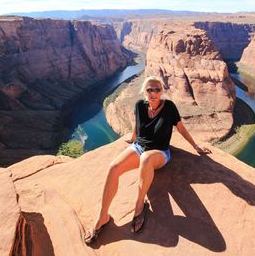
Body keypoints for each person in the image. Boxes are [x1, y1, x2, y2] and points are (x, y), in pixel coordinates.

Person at [84, 76, 211, 243]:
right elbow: (137, 124)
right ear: (145, 91)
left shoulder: (169, 107)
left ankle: (139, 206)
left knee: (145, 159)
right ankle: (103, 216)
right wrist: (132, 137)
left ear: (162, 92)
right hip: (139, 147)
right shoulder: (140, 105)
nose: (153, 93)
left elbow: (181, 128)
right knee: (113, 167)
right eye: (150, 89)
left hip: (159, 153)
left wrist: (196, 146)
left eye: (157, 89)